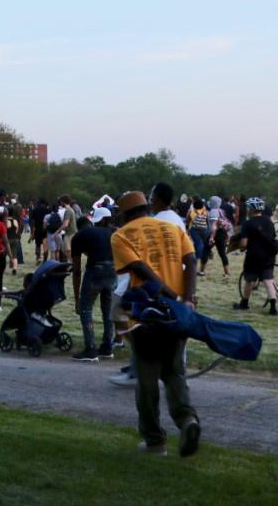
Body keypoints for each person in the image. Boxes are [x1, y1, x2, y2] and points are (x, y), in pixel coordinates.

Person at [110, 191, 200, 457]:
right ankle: (188, 421)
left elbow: (140, 269)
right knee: (174, 373)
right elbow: (191, 261)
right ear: (147, 208)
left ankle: (155, 441)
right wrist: (187, 298)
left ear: (125, 214)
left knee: (147, 379)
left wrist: (169, 296)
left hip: (146, 315)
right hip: (178, 314)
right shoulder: (173, 228)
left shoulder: (122, 235)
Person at [70, 206, 116, 362]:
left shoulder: (79, 236)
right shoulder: (113, 233)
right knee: (108, 310)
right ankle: (107, 347)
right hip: (113, 271)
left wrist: (77, 299)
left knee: (86, 309)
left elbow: (76, 270)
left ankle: (90, 349)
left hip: (95, 271)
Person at [229, 197, 278, 315]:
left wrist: (240, 247)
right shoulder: (269, 222)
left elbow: (244, 243)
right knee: (268, 280)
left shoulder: (248, 224)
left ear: (252, 209)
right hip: (269, 256)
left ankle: (244, 303)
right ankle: (273, 308)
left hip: (254, 256)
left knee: (250, 280)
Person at [185, 198, 209, 276]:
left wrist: (187, 229)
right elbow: (207, 222)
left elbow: (187, 221)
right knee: (200, 246)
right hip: (204, 230)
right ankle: (202, 257)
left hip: (194, 231)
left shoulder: (192, 212)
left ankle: (196, 261)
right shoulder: (205, 211)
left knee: (197, 246)